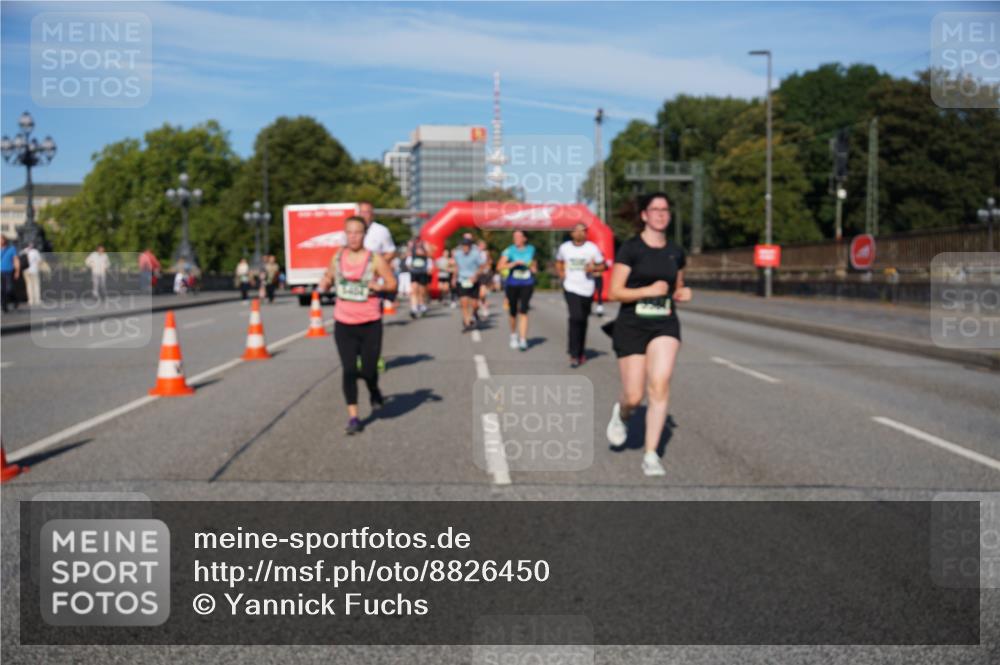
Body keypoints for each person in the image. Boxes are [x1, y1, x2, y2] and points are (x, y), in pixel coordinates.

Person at [604, 192, 692, 477]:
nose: (661, 214)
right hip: (632, 324)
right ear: (644, 215)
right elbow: (614, 292)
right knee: (633, 395)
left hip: (664, 324)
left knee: (660, 383)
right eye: (655, 210)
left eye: (665, 209)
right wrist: (646, 291)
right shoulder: (631, 249)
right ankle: (623, 414)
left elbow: (676, 285)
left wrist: (682, 292)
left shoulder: (676, 252)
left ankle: (651, 454)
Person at [318, 216, 397, 435]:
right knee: (350, 370)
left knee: (369, 369)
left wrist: (377, 286)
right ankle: (353, 417)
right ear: (346, 234)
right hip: (344, 323)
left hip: (370, 322)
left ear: (364, 235)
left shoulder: (374, 260)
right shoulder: (337, 257)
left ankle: (374, 391)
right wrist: (324, 283)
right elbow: (328, 276)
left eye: (358, 232)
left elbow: (392, 283)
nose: (353, 237)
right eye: (350, 232)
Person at [556, 223, 606, 368]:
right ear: (571, 233)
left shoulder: (592, 248)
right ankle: (573, 354)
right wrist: (561, 274)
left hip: (587, 288)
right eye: (577, 231)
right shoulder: (564, 248)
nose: (580, 233)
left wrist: (593, 268)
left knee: (583, 320)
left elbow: (602, 265)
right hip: (570, 287)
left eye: (583, 231)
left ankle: (580, 351)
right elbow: (559, 262)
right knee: (575, 317)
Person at [496, 230, 538, 351]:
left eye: (519, 236)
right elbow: (499, 266)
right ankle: (513, 335)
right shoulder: (509, 250)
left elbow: (534, 267)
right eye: (515, 236)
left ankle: (523, 339)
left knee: (523, 310)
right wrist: (513, 264)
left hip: (527, 283)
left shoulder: (531, 249)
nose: (516, 238)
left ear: (525, 238)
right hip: (512, 284)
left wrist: (531, 267)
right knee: (513, 311)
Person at [453, 235, 485, 332]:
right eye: (463, 245)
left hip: (473, 280)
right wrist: (454, 278)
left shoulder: (476, 254)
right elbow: (456, 266)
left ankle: (474, 314)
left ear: (470, 246)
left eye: (467, 245)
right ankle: (467, 322)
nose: (465, 247)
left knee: (474, 304)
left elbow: (482, 266)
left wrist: (476, 275)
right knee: (464, 302)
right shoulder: (458, 254)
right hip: (462, 279)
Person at [406, 239, 431, 318]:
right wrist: (412, 269)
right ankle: (414, 308)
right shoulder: (412, 255)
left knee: (421, 291)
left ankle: (422, 305)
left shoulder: (426, 257)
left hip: (422, 274)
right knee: (414, 290)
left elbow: (430, 266)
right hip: (414, 274)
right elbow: (408, 264)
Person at [0, 236, 20, 312]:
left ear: (5, 240)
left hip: (9, 272)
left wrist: (17, 271)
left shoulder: (11, 249)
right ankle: (4, 306)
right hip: (0, 272)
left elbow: (16, 260)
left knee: (9, 289)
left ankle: (15, 300)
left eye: (1, 239)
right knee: (2, 290)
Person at [476, 239, 492, 320]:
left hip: (484, 275)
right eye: (481, 245)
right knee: (477, 294)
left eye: (484, 245)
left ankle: (484, 307)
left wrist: (488, 267)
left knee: (482, 294)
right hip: (476, 275)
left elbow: (489, 262)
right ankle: (481, 307)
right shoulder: (474, 253)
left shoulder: (486, 253)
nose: (483, 246)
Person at [23, 242, 43, 307]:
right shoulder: (35, 252)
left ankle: (30, 300)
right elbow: (39, 261)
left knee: (29, 285)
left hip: (26, 271)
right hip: (34, 270)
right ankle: (37, 300)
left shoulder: (24, 251)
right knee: (36, 285)